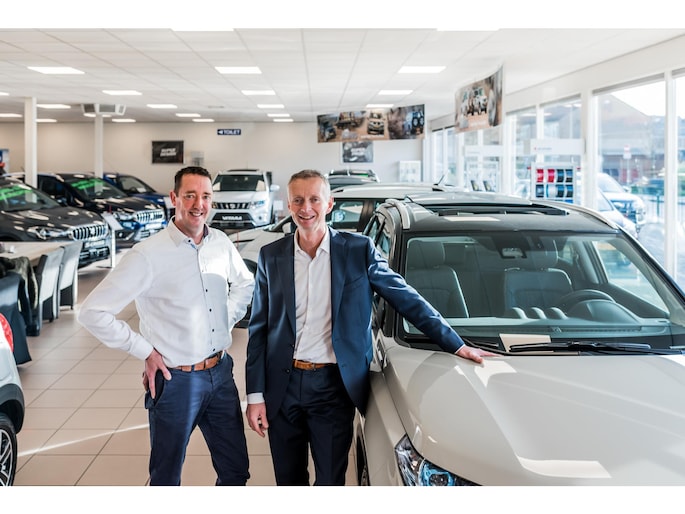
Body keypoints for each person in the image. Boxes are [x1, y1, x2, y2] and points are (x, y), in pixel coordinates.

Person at [245, 169, 494, 486]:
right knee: (288, 480)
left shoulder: (358, 250)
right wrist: (255, 395)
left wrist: (455, 344)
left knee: (330, 481)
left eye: (314, 199)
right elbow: (259, 329)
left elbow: (405, 297)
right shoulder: (271, 256)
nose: (306, 208)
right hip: (283, 385)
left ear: (329, 204)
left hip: (333, 386)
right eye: (298, 200)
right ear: (288, 204)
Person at [78, 166, 254, 486]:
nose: (199, 204)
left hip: (221, 373)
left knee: (236, 471)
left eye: (206, 196)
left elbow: (244, 284)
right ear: (174, 198)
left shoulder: (220, 243)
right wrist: (145, 350)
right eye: (190, 196)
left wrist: (224, 320)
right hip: (176, 381)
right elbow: (92, 312)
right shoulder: (148, 254)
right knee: (166, 477)